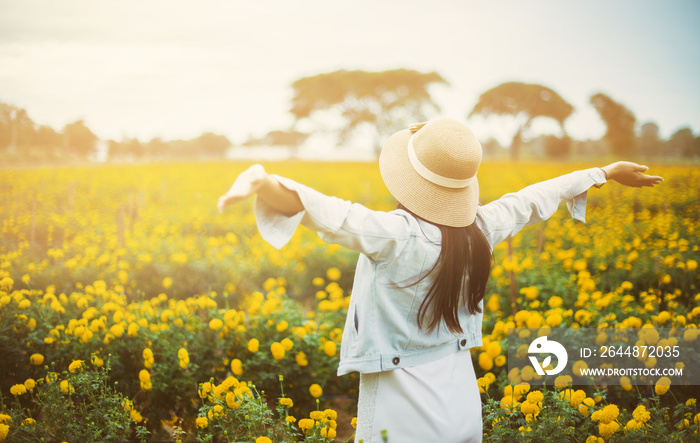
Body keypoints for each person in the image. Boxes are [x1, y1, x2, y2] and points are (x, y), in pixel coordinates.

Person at [217, 118, 663, 443]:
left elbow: (331, 214)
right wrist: (601, 173)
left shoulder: (396, 235)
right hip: (462, 401)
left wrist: (264, 182)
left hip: (404, 409)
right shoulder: (483, 230)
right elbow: (531, 200)